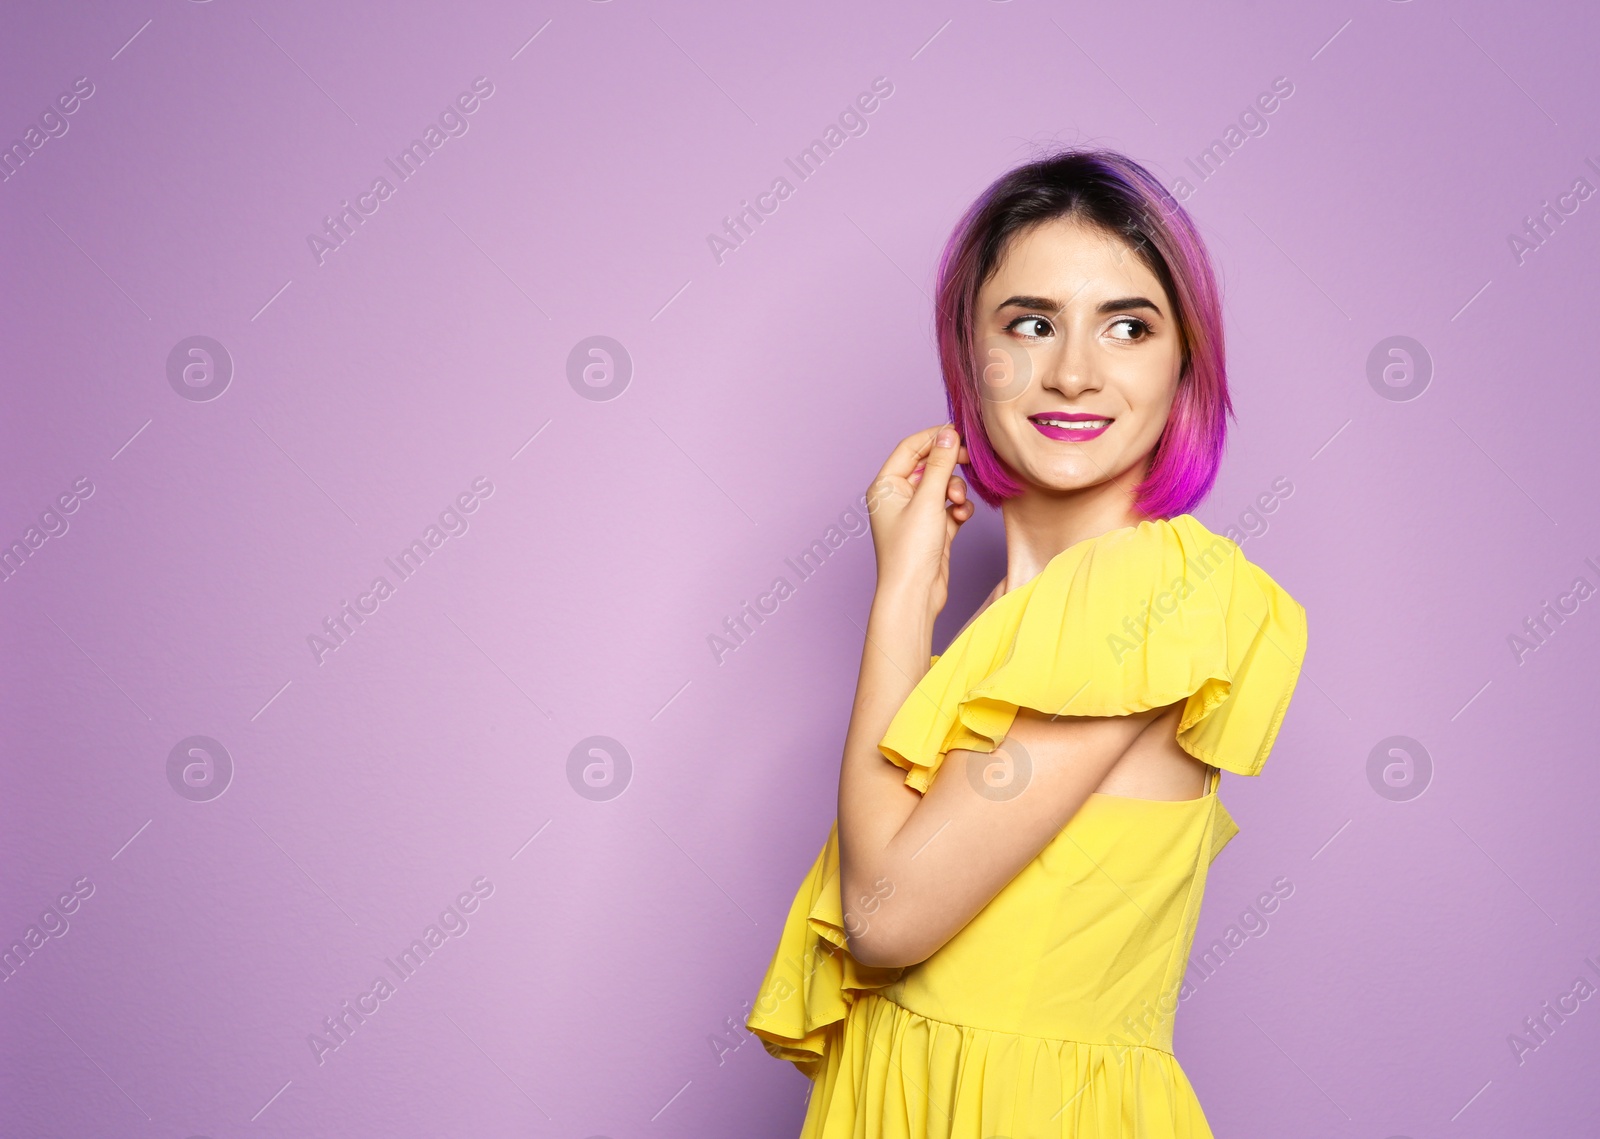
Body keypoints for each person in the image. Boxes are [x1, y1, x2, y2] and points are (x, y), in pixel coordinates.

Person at [745, 147, 1309, 1137]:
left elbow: (882, 919)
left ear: (1184, 360)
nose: (1074, 372)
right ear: (972, 357)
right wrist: (917, 599)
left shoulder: (1145, 593)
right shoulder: (1010, 628)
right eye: (1030, 323)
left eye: (1127, 326)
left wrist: (902, 597)